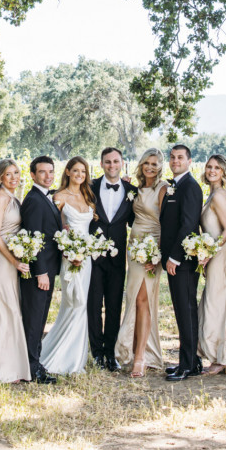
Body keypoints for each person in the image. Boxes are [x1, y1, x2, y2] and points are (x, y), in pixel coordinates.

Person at [41, 156, 98, 375]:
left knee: (81, 305)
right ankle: (57, 357)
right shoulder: (59, 197)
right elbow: (55, 230)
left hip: (86, 259)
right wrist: (68, 252)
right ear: (67, 172)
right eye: (76, 171)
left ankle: (75, 359)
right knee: (73, 301)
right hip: (70, 257)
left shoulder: (88, 196)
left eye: (83, 172)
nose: (79, 175)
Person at [115, 148, 168, 377]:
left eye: (155, 164)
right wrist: (126, 186)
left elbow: (166, 222)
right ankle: (134, 350)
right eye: (146, 162)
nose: (150, 167)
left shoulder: (162, 188)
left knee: (143, 299)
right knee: (134, 298)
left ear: (160, 166)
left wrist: (157, 255)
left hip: (150, 247)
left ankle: (140, 358)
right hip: (133, 245)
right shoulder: (136, 188)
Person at [88, 147, 137, 372]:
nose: (112, 165)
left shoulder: (131, 190)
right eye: (107, 162)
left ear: (122, 163)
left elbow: (138, 222)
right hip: (94, 257)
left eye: (116, 161)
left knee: (115, 306)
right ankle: (97, 353)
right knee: (94, 306)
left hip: (118, 260)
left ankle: (111, 354)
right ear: (101, 164)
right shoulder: (88, 188)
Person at [162, 144, 204, 381]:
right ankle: (193, 361)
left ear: (189, 161)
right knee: (181, 310)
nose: (175, 160)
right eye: (172, 157)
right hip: (174, 259)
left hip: (183, 261)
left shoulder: (190, 187)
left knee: (186, 310)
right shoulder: (174, 186)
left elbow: (188, 224)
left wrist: (175, 257)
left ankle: (187, 365)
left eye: (180, 157)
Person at [0, 159, 31, 383]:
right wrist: (14, 261)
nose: (13, 177)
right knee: (4, 311)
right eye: (8, 174)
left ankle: (15, 367)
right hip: (4, 261)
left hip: (15, 259)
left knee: (13, 310)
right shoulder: (1, 197)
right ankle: (3, 370)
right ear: (0, 177)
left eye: (16, 173)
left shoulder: (14, 196)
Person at [19, 155, 61, 384]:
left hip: (48, 270)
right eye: (42, 172)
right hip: (39, 273)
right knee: (33, 321)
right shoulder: (34, 200)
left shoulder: (46, 197)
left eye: (51, 171)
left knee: (40, 318)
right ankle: (31, 367)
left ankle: (35, 362)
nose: (48, 176)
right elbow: (33, 238)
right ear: (33, 175)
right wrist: (41, 272)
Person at [196, 154, 226, 375]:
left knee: (217, 305)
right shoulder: (211, 194)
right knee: (211, 303)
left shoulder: (219, 196)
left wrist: (210, 251)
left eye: (217, 168)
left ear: (223, 172)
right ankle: (221, 358)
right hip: (212, 255)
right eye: (209, 167)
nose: (212, 170)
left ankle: (221, 358)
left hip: (220, 255)